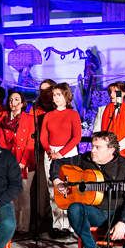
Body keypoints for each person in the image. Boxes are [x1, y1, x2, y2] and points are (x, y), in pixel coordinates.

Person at [39, 82, 82, 237]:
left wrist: (61, 153)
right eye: (54, 95)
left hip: (68, 153)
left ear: (66, 96)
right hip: (51, 153)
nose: (56, 98)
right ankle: (58, 225)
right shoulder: (48, 116)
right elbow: (43, 136)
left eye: (59, 94)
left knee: (69, 189)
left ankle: (71, 224)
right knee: (53, 189)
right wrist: (49, 150)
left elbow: (76, 137)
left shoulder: (73, 114)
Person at [0, 90, 36, 232]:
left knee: (24, 194)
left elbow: (30, 142)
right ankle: (12, 226)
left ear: (22, 102)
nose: (13, 102)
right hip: (9, 161)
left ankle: (24, 227)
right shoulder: (3, 119)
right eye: (10, 100)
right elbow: (1, 142)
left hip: (25, 162)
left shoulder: (28, 118)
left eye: (16, 99)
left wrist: (23, 160)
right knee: (11, 195)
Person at [30, 79, 57, 236]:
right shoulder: (35, 108)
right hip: (39, 150)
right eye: (41, 90)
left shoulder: (59, 108)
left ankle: (57, 225)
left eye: (47, 90)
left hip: (56, 150)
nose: (44, 93)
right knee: (40, 188)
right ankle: (39, 224)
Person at [93, 82, 125, 166]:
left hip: (124, 150)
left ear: (123, 93)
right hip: (104, 151)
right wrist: (106, 146)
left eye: (115, 92)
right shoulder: (102, 110)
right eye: (110, 92)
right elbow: (96, 132)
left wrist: (115, 147)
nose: (112, 94)